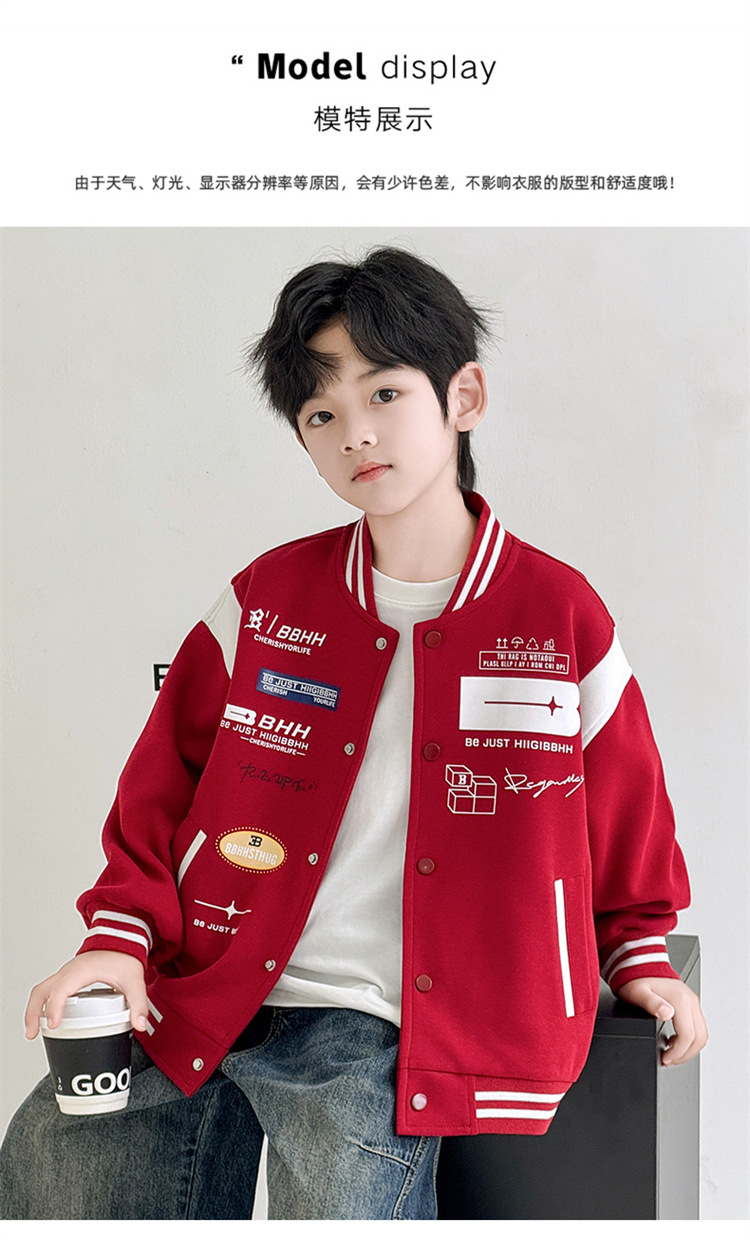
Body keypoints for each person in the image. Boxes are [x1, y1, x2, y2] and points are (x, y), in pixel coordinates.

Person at [1, 247, 707, 1220]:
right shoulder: (268, 596)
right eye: (320, 415)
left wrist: (640, 957)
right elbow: (164, 781)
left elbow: (629, 810)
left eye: (383, 393)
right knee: (61, 1168)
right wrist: (118, 938)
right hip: (203, 985)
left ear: (464, 397)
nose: (355, 434)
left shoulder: (557, 612)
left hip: (375, 1023)